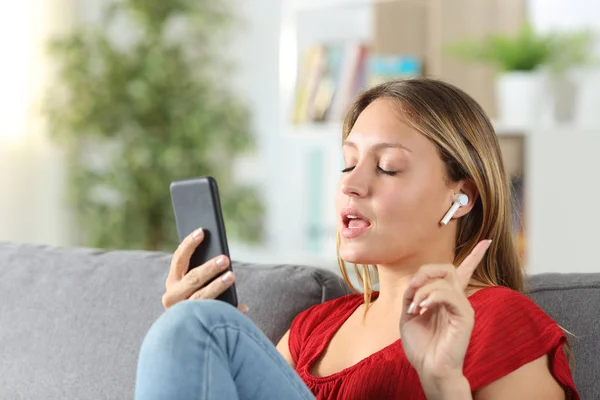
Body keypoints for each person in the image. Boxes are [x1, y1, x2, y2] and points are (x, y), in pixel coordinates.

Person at [135, 79, 579, 399]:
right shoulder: (311, 330)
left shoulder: (500, 320)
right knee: (195, 324)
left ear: (460, 197)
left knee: (201, 327)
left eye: (387, 167)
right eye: (348, 164)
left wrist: (444, 385)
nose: (352, 184)